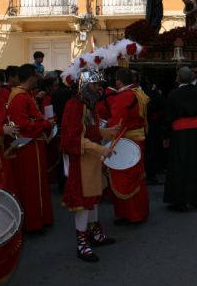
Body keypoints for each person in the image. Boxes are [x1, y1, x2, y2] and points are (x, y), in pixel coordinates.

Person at [60, 69, 116, 262]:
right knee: (83, 203)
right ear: (84, 85)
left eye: (100, 84)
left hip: (91, 159)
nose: (99, 88)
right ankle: (82, 244)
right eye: (95, 84)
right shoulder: (75, 105)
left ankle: (95, 234)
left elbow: (90, 130)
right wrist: (101, 150)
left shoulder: (88, 104)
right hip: (82, 160)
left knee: (92, 198)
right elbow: (74, 139)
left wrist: (108, 132)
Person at [7, 64, 55, 232]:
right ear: (31, 78)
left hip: (33, 144)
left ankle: (40, 218)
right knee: (31, 185)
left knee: (37, 183)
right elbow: (22, 124)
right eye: (37, 77)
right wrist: (45, 124)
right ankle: (34, 222)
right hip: (28, 146)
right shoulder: (20, 97)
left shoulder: (25, 94)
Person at [163, 67, 197, 211]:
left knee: (180, 165)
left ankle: (180, 200)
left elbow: (168, 117)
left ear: (179, 78)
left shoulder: (173, 94)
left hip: (179, 134)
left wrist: (166, 136)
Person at [107, 68, 151, 224]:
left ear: (119, 81)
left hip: (126, 140)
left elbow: (117, 122)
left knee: (125, 176)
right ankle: (140, 211)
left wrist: (106, 136)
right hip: (138, 138)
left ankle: (130, 214)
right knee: (137, 175)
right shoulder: (137, 93)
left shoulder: (123, 97)